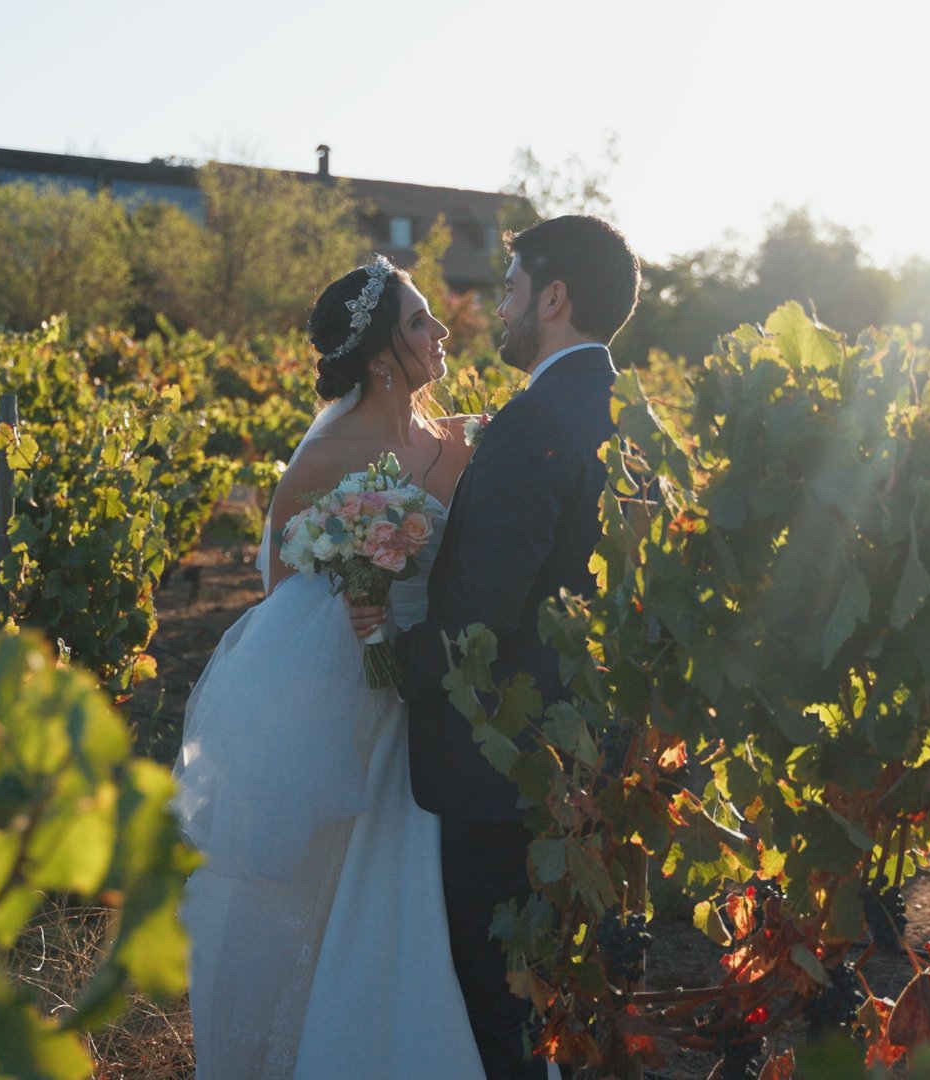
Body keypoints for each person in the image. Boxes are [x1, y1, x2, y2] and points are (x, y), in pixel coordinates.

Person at [171, 255, 487, 1078]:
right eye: (421, 321)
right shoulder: (325, 455)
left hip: (440, 689)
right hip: (362, 697)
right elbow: (282, 588)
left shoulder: (459, 444)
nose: (441, 329)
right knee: (346, 886)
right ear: (381, 355)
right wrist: (355, 603)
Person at [351, 215, 642, 1079]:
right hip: (580, 750)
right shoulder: (624, 414)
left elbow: (480, 608)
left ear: (553, 298)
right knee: (552, 997)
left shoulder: (530, 424)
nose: (500, 309)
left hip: (500, 769)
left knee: (497, 1004)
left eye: (511, 288)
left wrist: (397, 667)